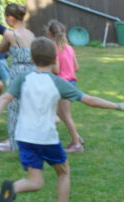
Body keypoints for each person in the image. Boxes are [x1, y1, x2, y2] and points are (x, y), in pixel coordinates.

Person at [0, 37, 124, 202]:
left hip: (24, 137)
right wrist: (117, 105)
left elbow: (4, 98)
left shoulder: (23, 78)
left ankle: (12, 189)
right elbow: (89, 100)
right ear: (55, 59)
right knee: (63, 172)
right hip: (46, 138)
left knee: (36, 182)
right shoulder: (58, 82)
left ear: (32, 58)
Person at [0, 3, 36, 152]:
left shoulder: (10, 34)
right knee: (29, 106)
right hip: (33, 71)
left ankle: (14, 141)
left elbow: (1, 49)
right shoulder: (31, 34)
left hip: (18, 72)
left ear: (10, 17)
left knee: (14, 106)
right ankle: (30, 137)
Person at [47, 20, 83, 152]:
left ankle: (77, 145)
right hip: (71, 83)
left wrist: (47, 67)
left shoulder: (54, 49)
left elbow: (56, 70)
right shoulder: (69, 48)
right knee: (60, 112)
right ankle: (77, 138)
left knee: (66, 115)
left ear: (50, 34)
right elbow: (76, 68)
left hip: (61, 84)